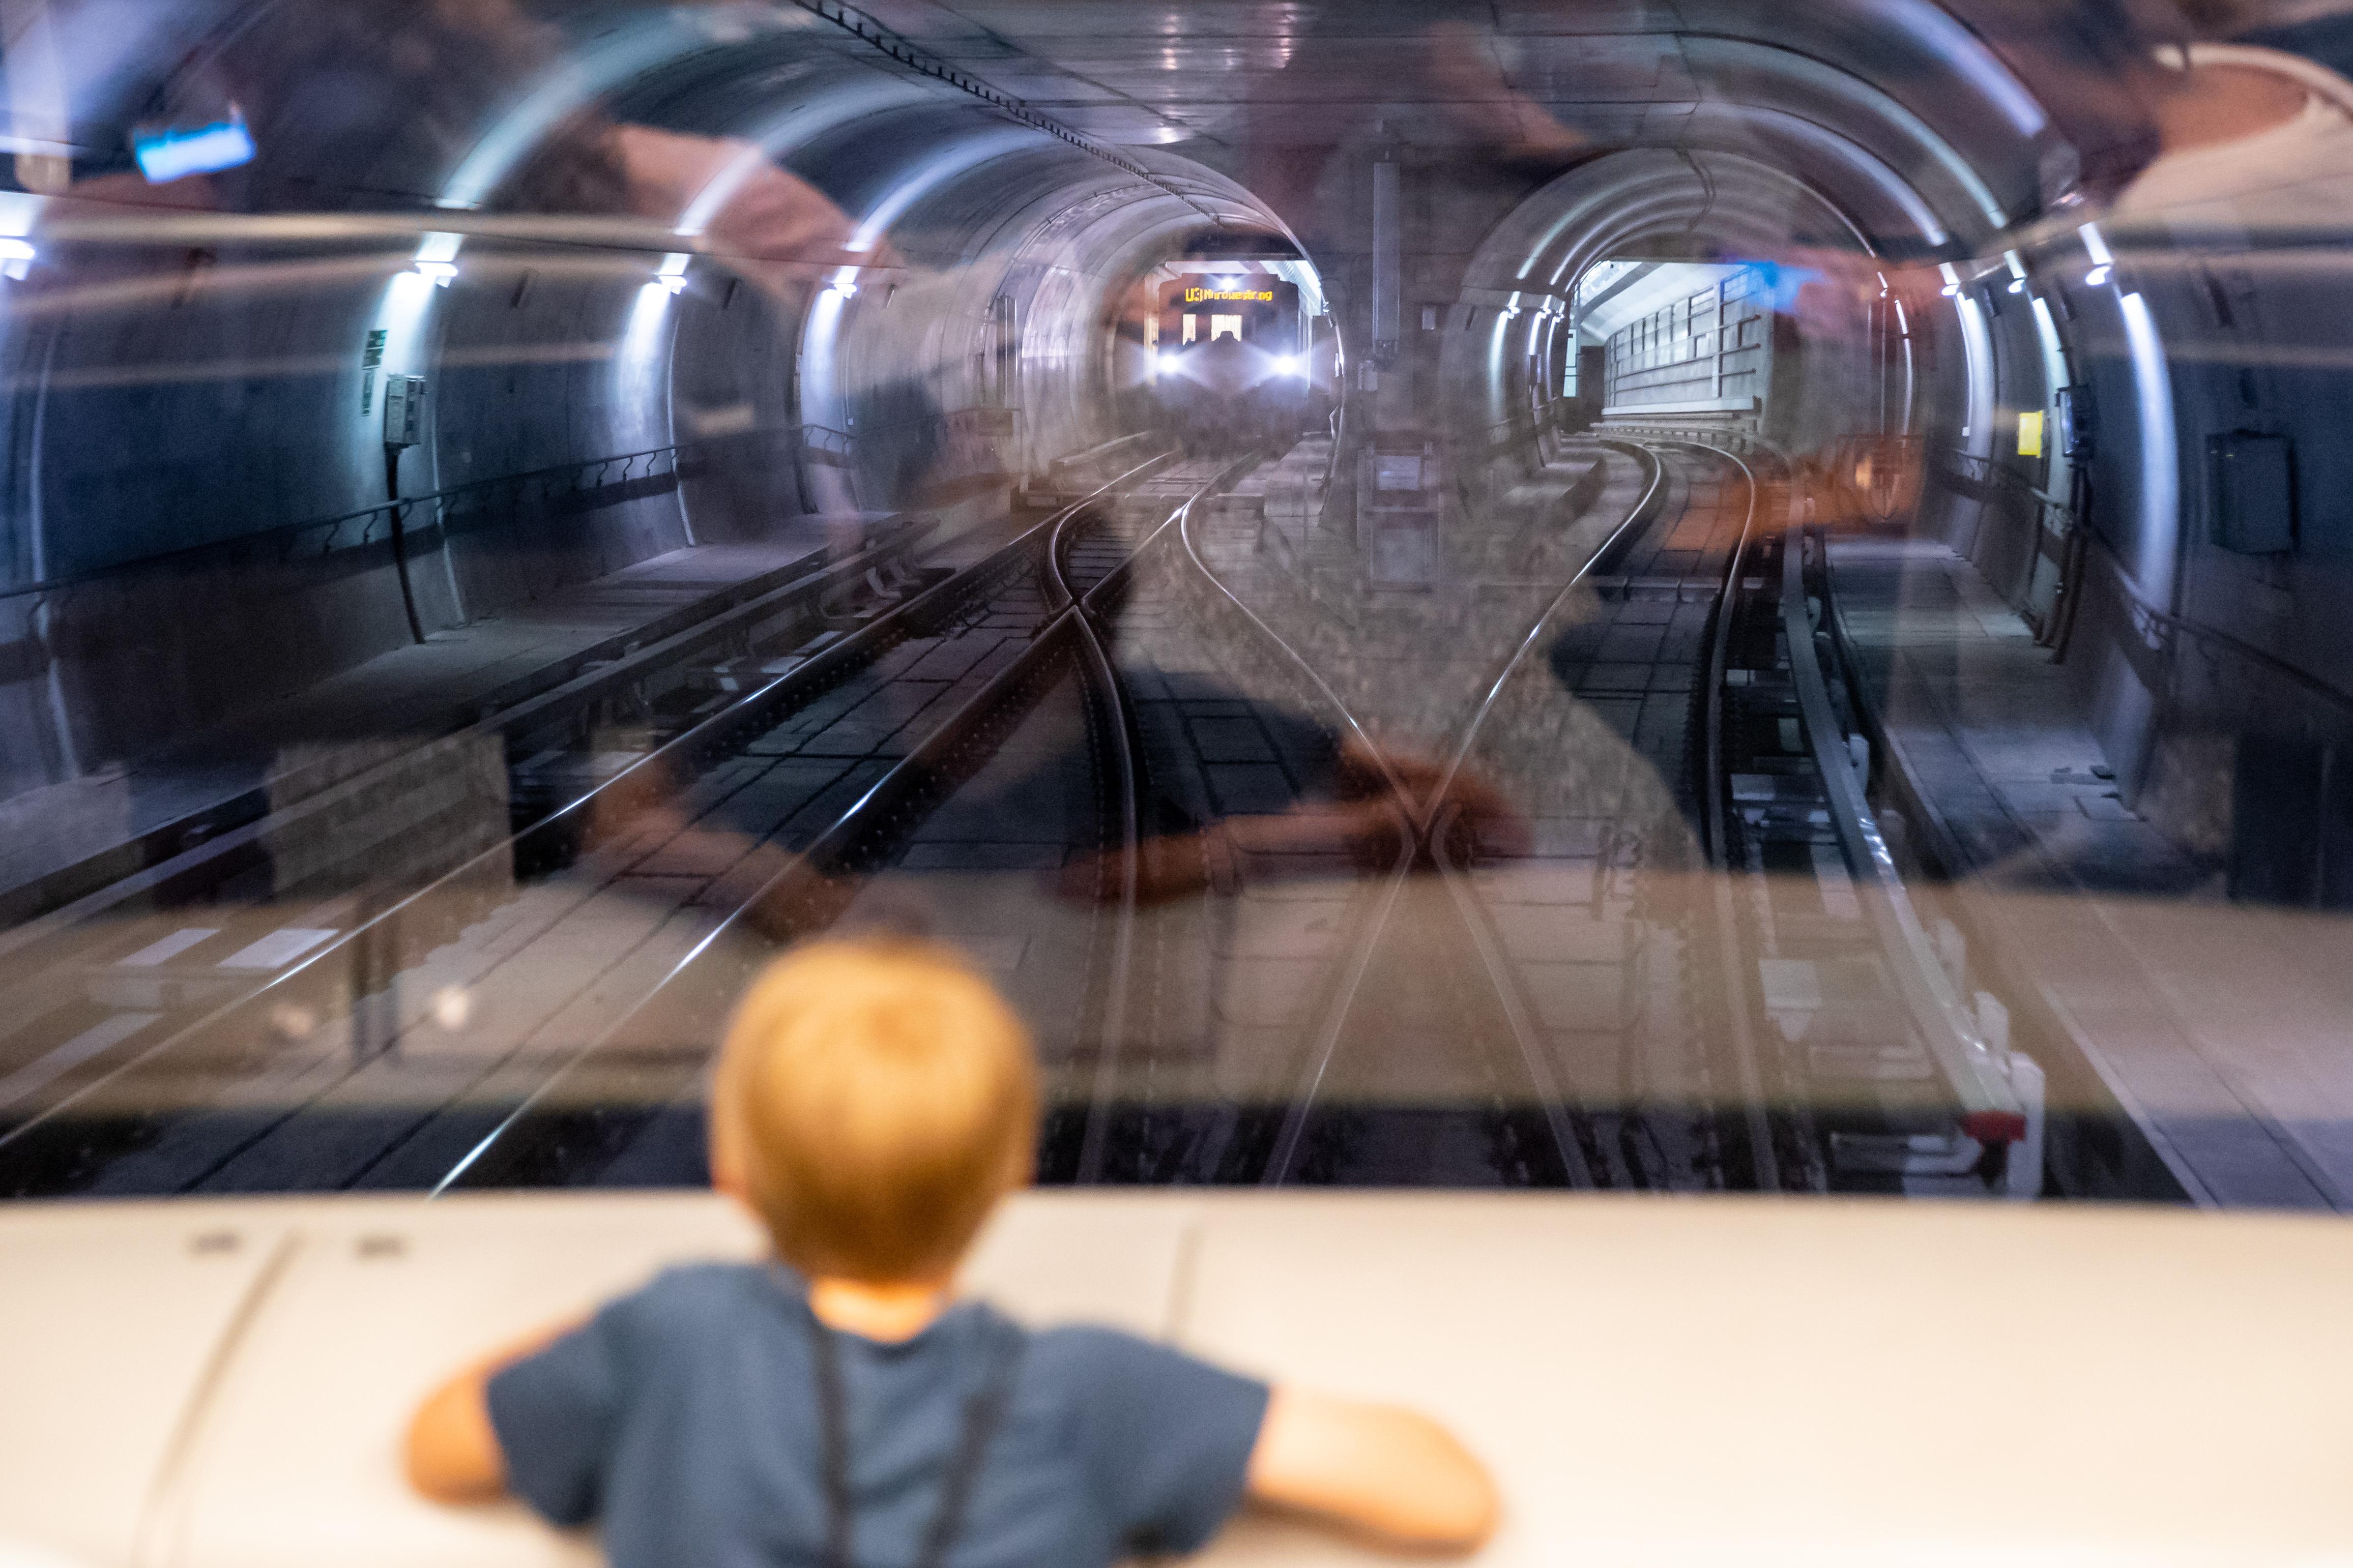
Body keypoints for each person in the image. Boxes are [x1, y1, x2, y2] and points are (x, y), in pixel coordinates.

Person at [403, 938, 1499, 1566]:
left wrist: (606, 1334)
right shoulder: (1089, 1389)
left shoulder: (670, 1337)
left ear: (732, 1175)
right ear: (1011, 1175)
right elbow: (1447, 1502)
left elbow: (439, 1451)